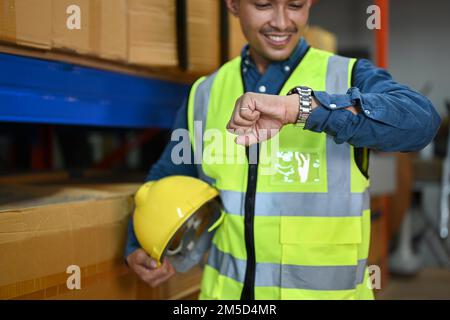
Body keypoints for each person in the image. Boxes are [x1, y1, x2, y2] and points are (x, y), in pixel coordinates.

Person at [125, 0, 441, 299]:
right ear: (233, 4)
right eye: (263, 5)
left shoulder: (345, 77)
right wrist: (141, 244)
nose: (281, 22)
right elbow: (170, 174)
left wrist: (304, 109)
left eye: (295, 5)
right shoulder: (204, 94)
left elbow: (421, 123)